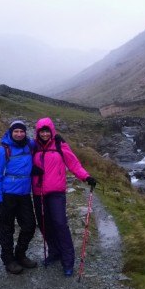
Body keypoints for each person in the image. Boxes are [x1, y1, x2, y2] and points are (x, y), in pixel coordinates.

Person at [31, 117, 97, 277]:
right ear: (38, 133)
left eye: (47, 131)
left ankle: (68, 261)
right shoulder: (33, 147)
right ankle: (55, 252)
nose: (45, 134)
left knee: (60, 224)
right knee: (44, 225)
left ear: (52, 131)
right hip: (38, 193)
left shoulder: (60, 145)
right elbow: (23, 162)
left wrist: (86, 177)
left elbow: (74, 164)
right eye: (42, 131)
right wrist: (32, 168)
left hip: (56, 193)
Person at [0, 120, 37, 274]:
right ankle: (9, 260)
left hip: (24, 194)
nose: (19, 134)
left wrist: (57, 139)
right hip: (8, 195)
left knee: (29, 226)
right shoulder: (3, 150)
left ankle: (20, 254)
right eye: (15, 131)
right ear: (11, 132)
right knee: (7, 229)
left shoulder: (29, 145)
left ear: (25, 132)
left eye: (21, 131)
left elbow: (44, 143)